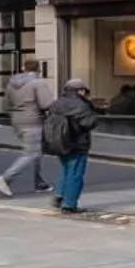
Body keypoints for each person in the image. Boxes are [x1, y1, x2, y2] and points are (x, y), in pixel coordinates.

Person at [0, 68, 54, 197]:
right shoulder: (38, 83)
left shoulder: (12, 83)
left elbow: (6, 103)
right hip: (33, 120)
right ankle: (5, 178)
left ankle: (40, 183)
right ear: (39, 70)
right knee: (31, 153)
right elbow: (46, 104)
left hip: (17, 121)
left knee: (36, 151)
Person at [43, 78, 99, 213]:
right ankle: (69, 204)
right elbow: (88, 123)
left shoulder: (57, 103)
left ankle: (59, 196)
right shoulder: (81, 105)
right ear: (80, 91)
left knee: (66, 169)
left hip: (59, 142)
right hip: (76, 143)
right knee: (75, 174)